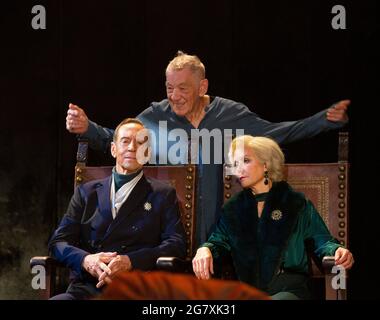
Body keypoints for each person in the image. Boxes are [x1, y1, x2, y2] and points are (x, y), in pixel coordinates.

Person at [65, 51, 350, 246]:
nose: (174, 97)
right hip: (167, 231)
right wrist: (87, 127)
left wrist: (323, 121)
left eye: (183, 89)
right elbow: (119, 142)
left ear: (203, 86)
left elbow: (279, 133)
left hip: (220, 229)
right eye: (169, 88)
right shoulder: (154, 118)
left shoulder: (230, 115)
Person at [192, 135, 354, 300]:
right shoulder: (233, 209)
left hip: (287, 290)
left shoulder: (295, 203)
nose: (238, 169)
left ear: (266, 165)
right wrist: (205, 249)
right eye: (235, 164)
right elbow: (218, 241)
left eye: (246, 161)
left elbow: (322, 241)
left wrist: (336, 250)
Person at [48, 118, 186, 300]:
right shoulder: (86, 192)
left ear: (147, 153)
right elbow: (58, 242)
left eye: (140, 143)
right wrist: (86, 260)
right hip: (87, 288)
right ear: (114, 149)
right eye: (125, 141)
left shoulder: (162, 193)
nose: (132, 148)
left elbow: (176, 244)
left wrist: (131, 261)